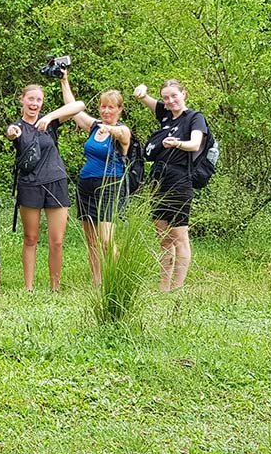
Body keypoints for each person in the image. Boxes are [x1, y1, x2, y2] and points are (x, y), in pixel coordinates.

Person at [4, 85, 85, 292]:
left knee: (57, 241)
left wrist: (49, 117)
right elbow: (11, 133)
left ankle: (55, 287)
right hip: (30, 185)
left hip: (56, 182)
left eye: (38, 100)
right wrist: (13, 133)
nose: (34, 104)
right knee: (31, 238)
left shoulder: (50, 123)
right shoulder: (18, 125)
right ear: (21, 100)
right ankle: (29, 288)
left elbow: (79, 105)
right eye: (30, 99)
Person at [60, 71, 132, 287]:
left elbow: (121, 134)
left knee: (106, 239)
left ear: (119, 109)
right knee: (91, 240)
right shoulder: (94, 127)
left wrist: (109, 128)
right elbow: (73, 109)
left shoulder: (122, 130)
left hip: (108, 185)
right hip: (86, 185)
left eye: (111, 107)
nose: (106, 110)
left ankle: (117, 279)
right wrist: (64, 80)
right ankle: (97, 281)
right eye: (103, 106)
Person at [133, 79, 207, 291]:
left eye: (174, 95)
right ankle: (163, 286)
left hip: (180, 179)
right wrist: (142, 90)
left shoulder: (194, 118)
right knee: (163, 237)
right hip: (159, 180)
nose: (170, 100)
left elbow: (195, 144)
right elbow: (144, 98)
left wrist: (176, 143)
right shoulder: (166, 114)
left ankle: (177, 287)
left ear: (184, 93)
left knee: (179, 236)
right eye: (166, 97)